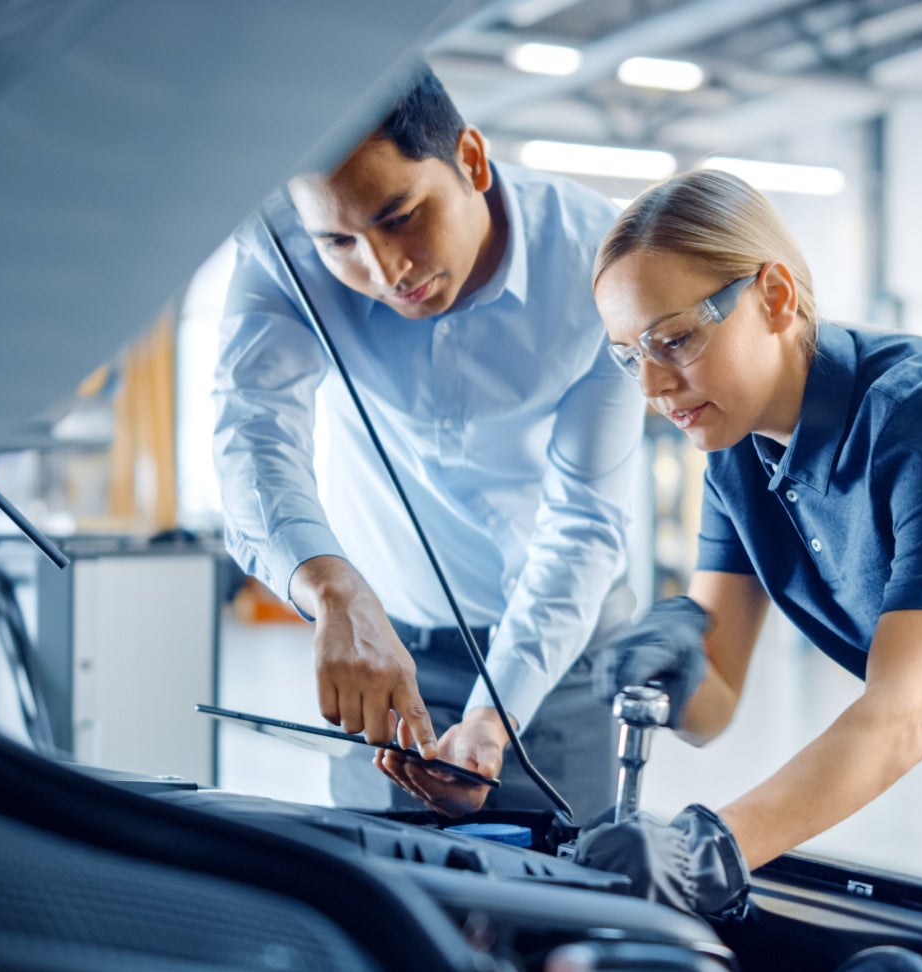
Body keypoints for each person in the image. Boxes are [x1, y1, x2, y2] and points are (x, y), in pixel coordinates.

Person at [577, 167, 922, 915]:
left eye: (675, 340)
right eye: (630, 355)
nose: (652, 388)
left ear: (775, 296)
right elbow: (717, 699)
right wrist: (675, 671)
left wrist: (709, 850)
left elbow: (897, 718)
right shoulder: (735, 457)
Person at [212, 63, 644, 823]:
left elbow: (583, 525)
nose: (383, 271)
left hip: (564, 652)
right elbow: (253, 430)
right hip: (385, 651)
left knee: (567, 906)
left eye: (401, 215)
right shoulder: (282, 248)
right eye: (339, 241)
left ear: (471, 161)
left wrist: (491, 714)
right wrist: (331, 586)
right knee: (392, 900)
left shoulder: (602, 263)